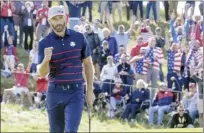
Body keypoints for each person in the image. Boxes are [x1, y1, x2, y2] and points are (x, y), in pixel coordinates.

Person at [37, 6, 94, 132]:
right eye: (54, 19)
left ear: (66, 18)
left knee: (71, 131)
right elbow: (41, 73)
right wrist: (46, 60)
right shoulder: (44, 43)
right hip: (54, 93)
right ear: (49, 21)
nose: (58, 22)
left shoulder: (79, 38)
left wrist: (90, 90)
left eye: (60, 18)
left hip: (75, 92)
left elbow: (88, 64)